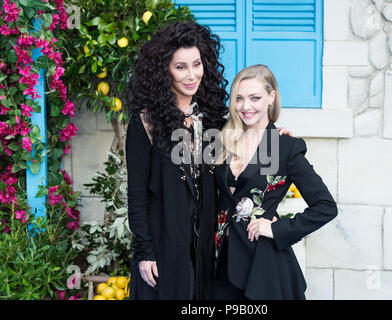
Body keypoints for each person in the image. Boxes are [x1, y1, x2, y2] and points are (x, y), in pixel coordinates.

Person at [212, 64, 338, 300]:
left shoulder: (285, 147)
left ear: (272, 97)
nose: (245, 106)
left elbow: (326, 207)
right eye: (239, 99)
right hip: (219, 264)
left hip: (262, 267)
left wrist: (276, 228)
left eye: (255, 98)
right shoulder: (224, 138)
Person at [124, 21, 229, 300]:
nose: (191, 75)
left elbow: (247, 150)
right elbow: (136, 193)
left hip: (204, 241)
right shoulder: (145, 122)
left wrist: (277, 139)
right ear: (164, 72)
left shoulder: (212, 117)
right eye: (180, 67)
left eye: (197, 64)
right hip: (164, 240)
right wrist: (145, 251)